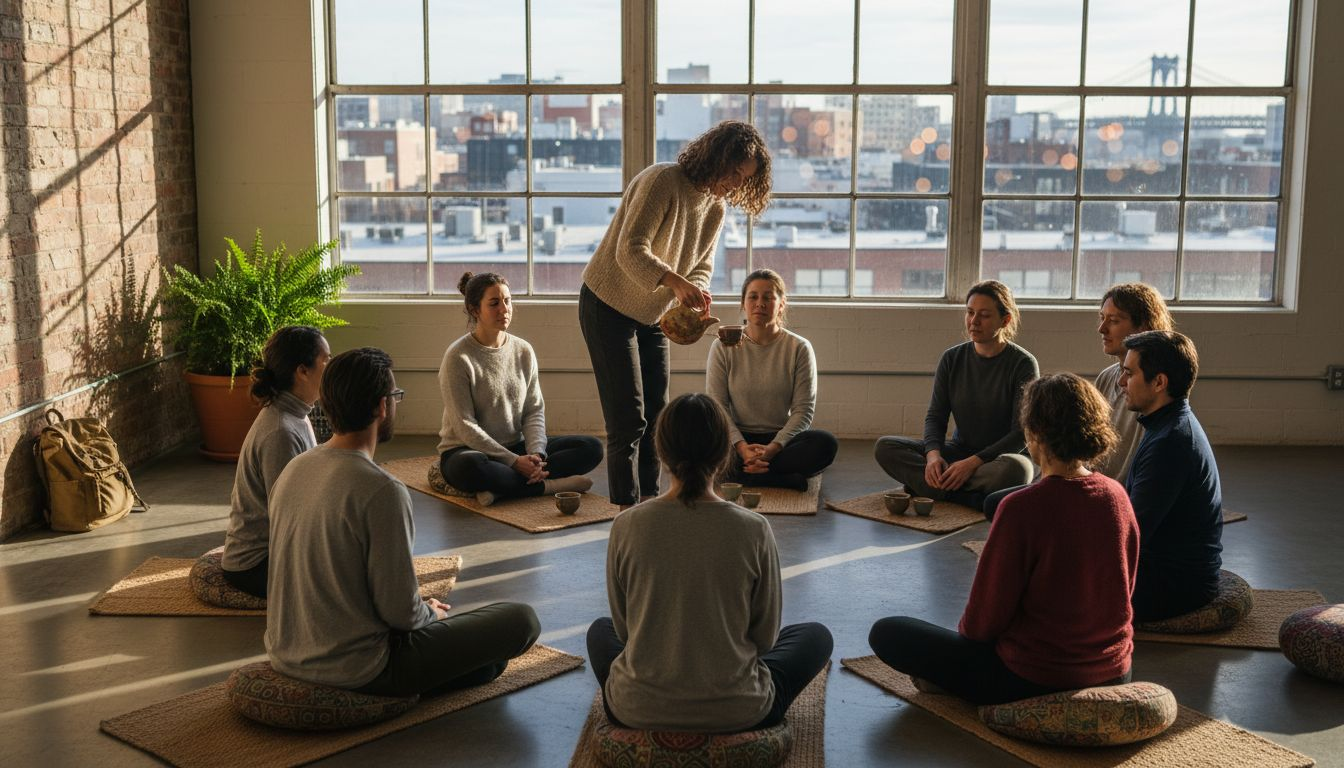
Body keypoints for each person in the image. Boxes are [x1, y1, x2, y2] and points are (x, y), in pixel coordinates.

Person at [266, 347, 540, 696]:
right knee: (520, 620)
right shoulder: (381, 489)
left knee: (487, 662)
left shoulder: (295, 469)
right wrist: (431, 614)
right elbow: (401, 615)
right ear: (382, 406)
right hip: (360, 669)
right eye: (395, 396)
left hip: (286, 656)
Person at [868, 373, 1138, 705]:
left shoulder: (1021, 508)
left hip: (1034, 678)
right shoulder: (1117, 495)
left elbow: (981, 625)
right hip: (1114, 670)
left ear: (1034, 434)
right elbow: (1124, 590)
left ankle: (960, 686)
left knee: (887, 632)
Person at [586, 393, 832, 732]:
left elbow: (625, 631)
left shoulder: (626, 524)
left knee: (599, 630)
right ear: (723, 456)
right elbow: (764, 639)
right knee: (815, 636)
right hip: (739, 710)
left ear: (661, 452)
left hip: (635, 709)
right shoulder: (754, 528)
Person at [579, 121, 772, 509]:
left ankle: (652, 502)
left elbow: (701, 264)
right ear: (716, 156)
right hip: (606, 305)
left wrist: (695, 293)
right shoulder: (661, 180)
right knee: (627, 419)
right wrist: (674, 281)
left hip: (652, 315)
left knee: (658, 416)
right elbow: (629, 249)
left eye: (744, 178)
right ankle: (625, 509)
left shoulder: (715, 207)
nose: (736, 183)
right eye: (734, 171)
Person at [983, 282, 1174, 520]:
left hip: (1111, 496)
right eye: (1102, 318)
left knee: (1013, 507)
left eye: (1114, 321)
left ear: (1143, 327)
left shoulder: (1152, 388)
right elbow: (1086, 445)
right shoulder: (1107, 377)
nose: (1102, 328)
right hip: (1083, 482)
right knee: (996, 503)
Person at [438, 272, 603, 506]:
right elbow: (465, 426)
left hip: (517, 445)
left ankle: (502, 489)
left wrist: (536, 454)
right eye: (494, 303)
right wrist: (514, 462)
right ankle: (550, 486)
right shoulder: (458, 357)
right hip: (468, 450)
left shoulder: (523, 350)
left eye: (507, 301)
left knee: (591, 448)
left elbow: (533, 410)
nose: (504, 309)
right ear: (475, 310)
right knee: (471, 467)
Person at [874, 280, 1038, 509]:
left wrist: (972, 463)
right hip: (959, 452)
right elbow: (936, 416)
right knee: (886, 447)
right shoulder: (952, 359)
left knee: (1018, 470)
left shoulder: (1022, 364)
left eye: (984, 315)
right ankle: (967, 496)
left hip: (997, 459)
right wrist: (933, 456)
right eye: (970, 313)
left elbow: (1021, 433)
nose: (974, 321)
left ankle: (930, 487)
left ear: (1005, 319)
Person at [1120, 330, 1224, 623]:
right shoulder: (1166, 425)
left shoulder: (1171, 442)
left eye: (1129, 373)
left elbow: (1130, 536)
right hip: (1164, 569)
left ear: (1159, 382)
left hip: (1174, 586)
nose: (1121, 382)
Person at [220, 326, 329, 598]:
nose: (331, 365)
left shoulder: (295, 414)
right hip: (256, 564)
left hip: (277, 553)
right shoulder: (281, 432)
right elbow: (288, 520)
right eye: (326, 359)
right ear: (302, 371)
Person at [705, 269, 837, 491]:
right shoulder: (722, 346)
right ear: (743, 304)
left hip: (782, 439)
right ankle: (779, 478)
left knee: (825, 444)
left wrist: (773, 448)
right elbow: (717, 405)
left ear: (781, 304)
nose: (760, 303)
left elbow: (803, 411)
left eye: (768, 297)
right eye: (753, 296)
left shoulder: (799, 348)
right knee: (697, 441)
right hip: (736, 438)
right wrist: (742, 448)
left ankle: (742, 476)